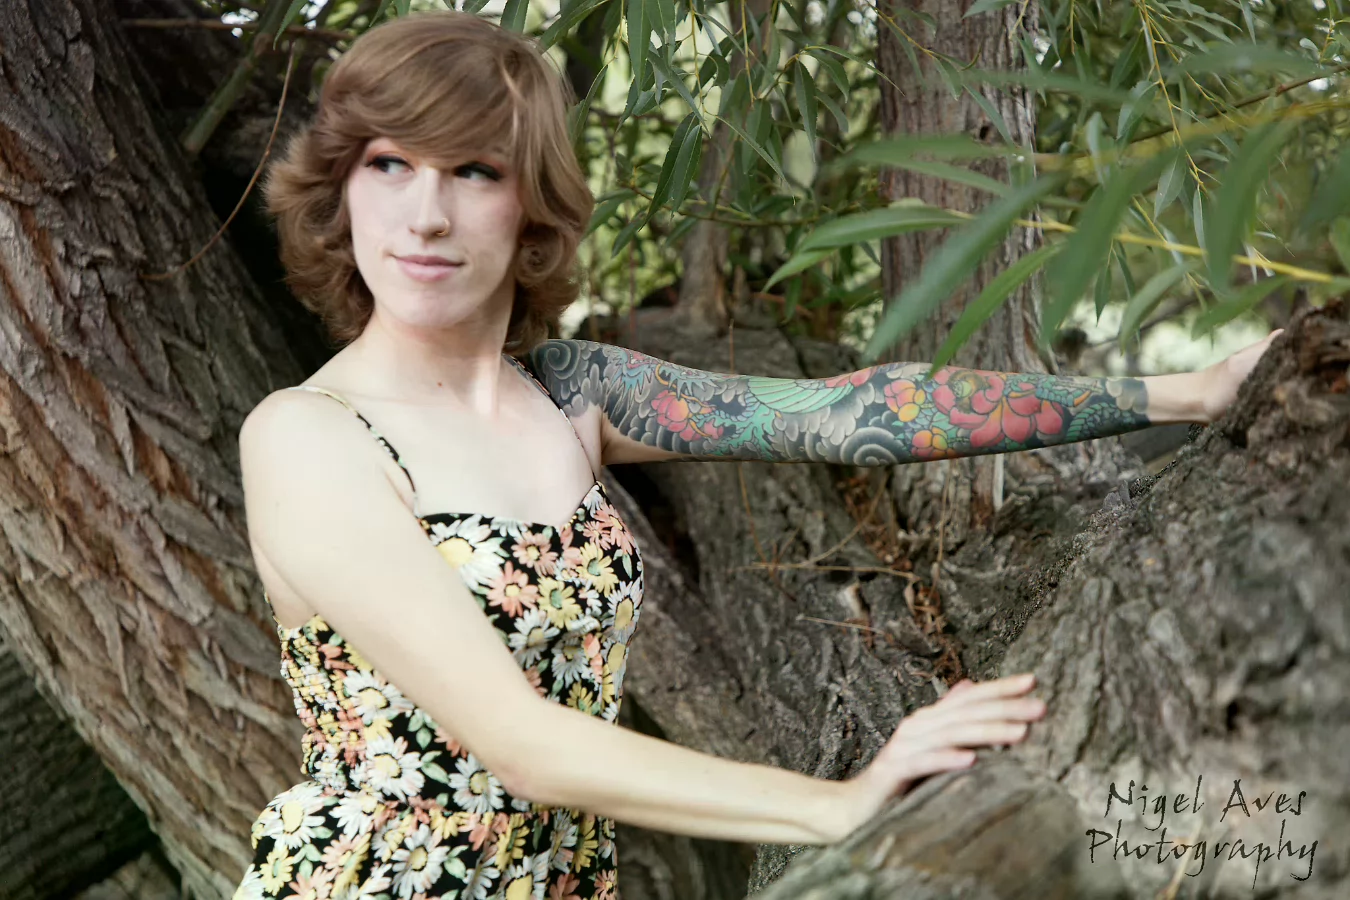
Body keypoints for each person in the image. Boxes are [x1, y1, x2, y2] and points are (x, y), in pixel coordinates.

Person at [229, 10, 1280, 900]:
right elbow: (520, 741)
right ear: (343, 189)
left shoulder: (571, 394)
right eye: (389, 165)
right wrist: (839, 807)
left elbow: (847, 412)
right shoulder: (309, 438)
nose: (425, 215)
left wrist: (1186, 393)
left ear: (529, 204)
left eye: (473, 170)